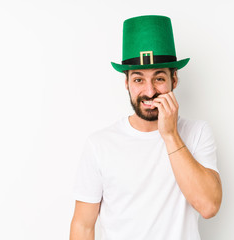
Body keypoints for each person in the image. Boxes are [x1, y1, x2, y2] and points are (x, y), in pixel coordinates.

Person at [70, 15, 223, 240]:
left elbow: (209, 206)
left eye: (159, 78)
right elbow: (83, 226)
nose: (149, 92)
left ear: (175, 79)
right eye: (139, 80)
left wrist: (170, 135)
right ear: (127, 83)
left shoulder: (197, 133)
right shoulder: (99, 144)